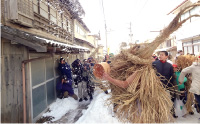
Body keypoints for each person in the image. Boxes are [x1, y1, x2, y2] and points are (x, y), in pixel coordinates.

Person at [152, 51, 177, 118]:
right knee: (157, 100)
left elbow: (171, 76)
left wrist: (172, 86)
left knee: (169, 99)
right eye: (159, 55)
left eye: (162, 55)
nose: (160, 56)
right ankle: (158, 114)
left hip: (167, 85)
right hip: (156, 85)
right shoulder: (154, 64)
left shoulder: (169, 65)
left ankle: (172, 112)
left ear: (166, 56)